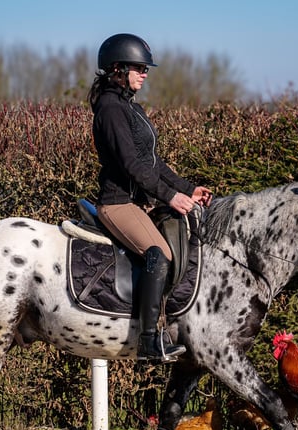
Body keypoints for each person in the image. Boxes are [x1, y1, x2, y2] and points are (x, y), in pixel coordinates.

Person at [88, 33, 212, 362]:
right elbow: (131, 166)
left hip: (136, 203)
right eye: (140, 67)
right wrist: (169, 197)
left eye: (147, 68)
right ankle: (146, 341)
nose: (145, 73)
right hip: (117, 203)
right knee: (159, 253)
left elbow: (152, 163)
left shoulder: (131, 107)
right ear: (118, 68)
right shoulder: (111, 109)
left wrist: (187, 188)